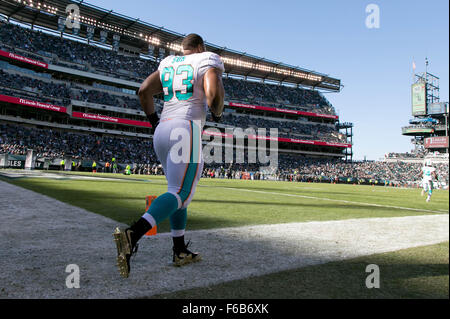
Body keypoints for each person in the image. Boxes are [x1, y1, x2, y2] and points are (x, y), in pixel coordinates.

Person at [113, 33, 225, 278]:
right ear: (201, 47)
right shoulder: (207, 59)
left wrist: (155, 122)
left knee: (176, 191)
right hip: (186, 128)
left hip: (163, 130)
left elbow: (143, 91)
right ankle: (133, 234)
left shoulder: (168, 63)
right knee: (181, 193)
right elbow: (214, 96)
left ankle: (179, 249)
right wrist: (217, 113)